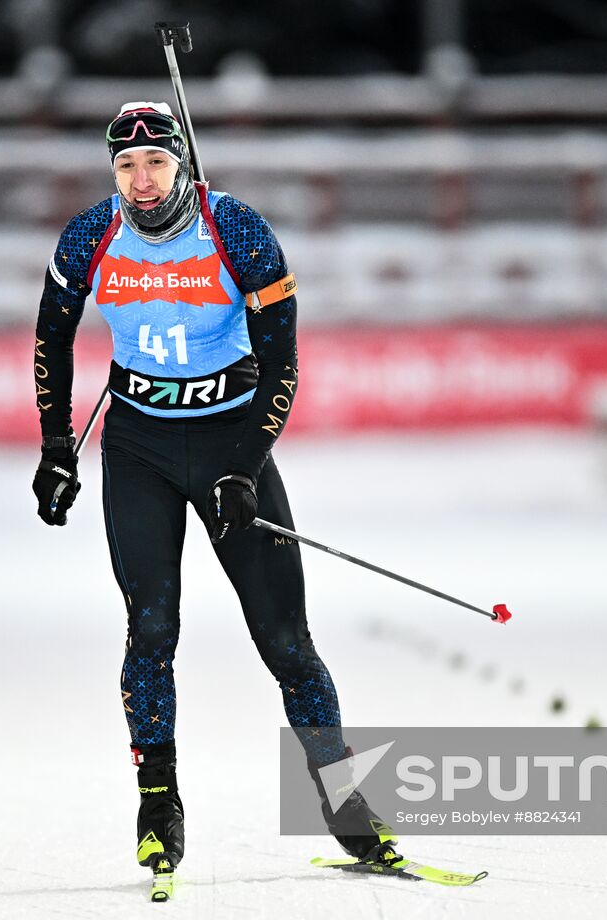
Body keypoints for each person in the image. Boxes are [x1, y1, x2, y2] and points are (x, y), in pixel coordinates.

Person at [31, 102, 391, 878]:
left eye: (156, 163)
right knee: (152, 630)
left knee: (286, 641)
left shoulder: (239, 231)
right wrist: (57, 446)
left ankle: (342, 797)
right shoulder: (92, 234)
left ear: (183, 162)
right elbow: (51, 334)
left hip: (232, 443)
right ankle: (158, 803)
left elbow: (284, 364)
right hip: (139, 450)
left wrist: (248, 461)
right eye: (126, 167)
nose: (142, 180)